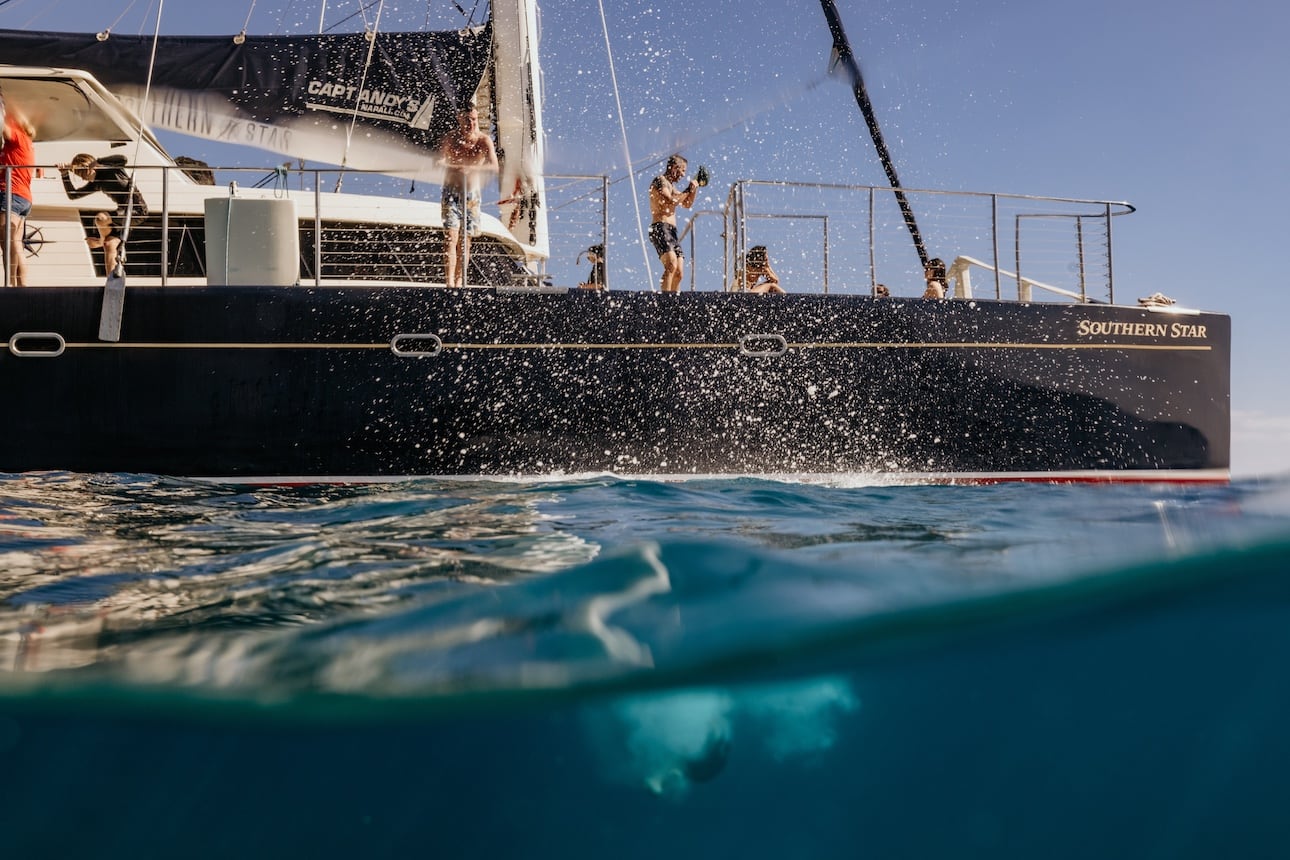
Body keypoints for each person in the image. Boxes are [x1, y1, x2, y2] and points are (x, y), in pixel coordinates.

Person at [56, 152, 149, 274]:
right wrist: (64, 174)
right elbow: (73, 195)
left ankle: (100, 240)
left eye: (83, 172)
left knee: (101, 218)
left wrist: (98, 161)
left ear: (90, 166)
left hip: (137, 210)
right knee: (109, 244)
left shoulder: (111, 169)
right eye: (79, 175)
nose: (83, 177)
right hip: (122, 213)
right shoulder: (95, 183)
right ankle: (110, 280)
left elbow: (123, 158)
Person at [439, 106, 499, 288]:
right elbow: (438, 160)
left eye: (473, 119)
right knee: (451, 236)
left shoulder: (483, 140)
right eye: (467, 120)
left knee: (466, 239)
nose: (471, 123)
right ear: (459, 119)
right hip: (451, 191)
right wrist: (453, 167)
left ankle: (459, 281)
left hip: (472, 194)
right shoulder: (451, 138)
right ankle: (449, 282)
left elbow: (494, 167)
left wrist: (473, 169)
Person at [648, 154, 701, 293]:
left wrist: (694, 190)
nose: (683, 175)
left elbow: (687, 203)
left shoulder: (672, 186)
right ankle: (665, 302)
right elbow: (670, 200)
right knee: (671, 265)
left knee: (679, 272)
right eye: (682, 170)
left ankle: (675, 303)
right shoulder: (661, 180)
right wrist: (688, 190)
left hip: (672, 231)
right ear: (672, 168)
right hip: (660, 227)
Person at [0, 93, 34, 287]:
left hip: (12, 195)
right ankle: (21, 287)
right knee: (15, 244)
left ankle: (10, 285)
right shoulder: (19, 146)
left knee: (7, 243)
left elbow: (3, 129)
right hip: (20, 196)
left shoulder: (18, 138)